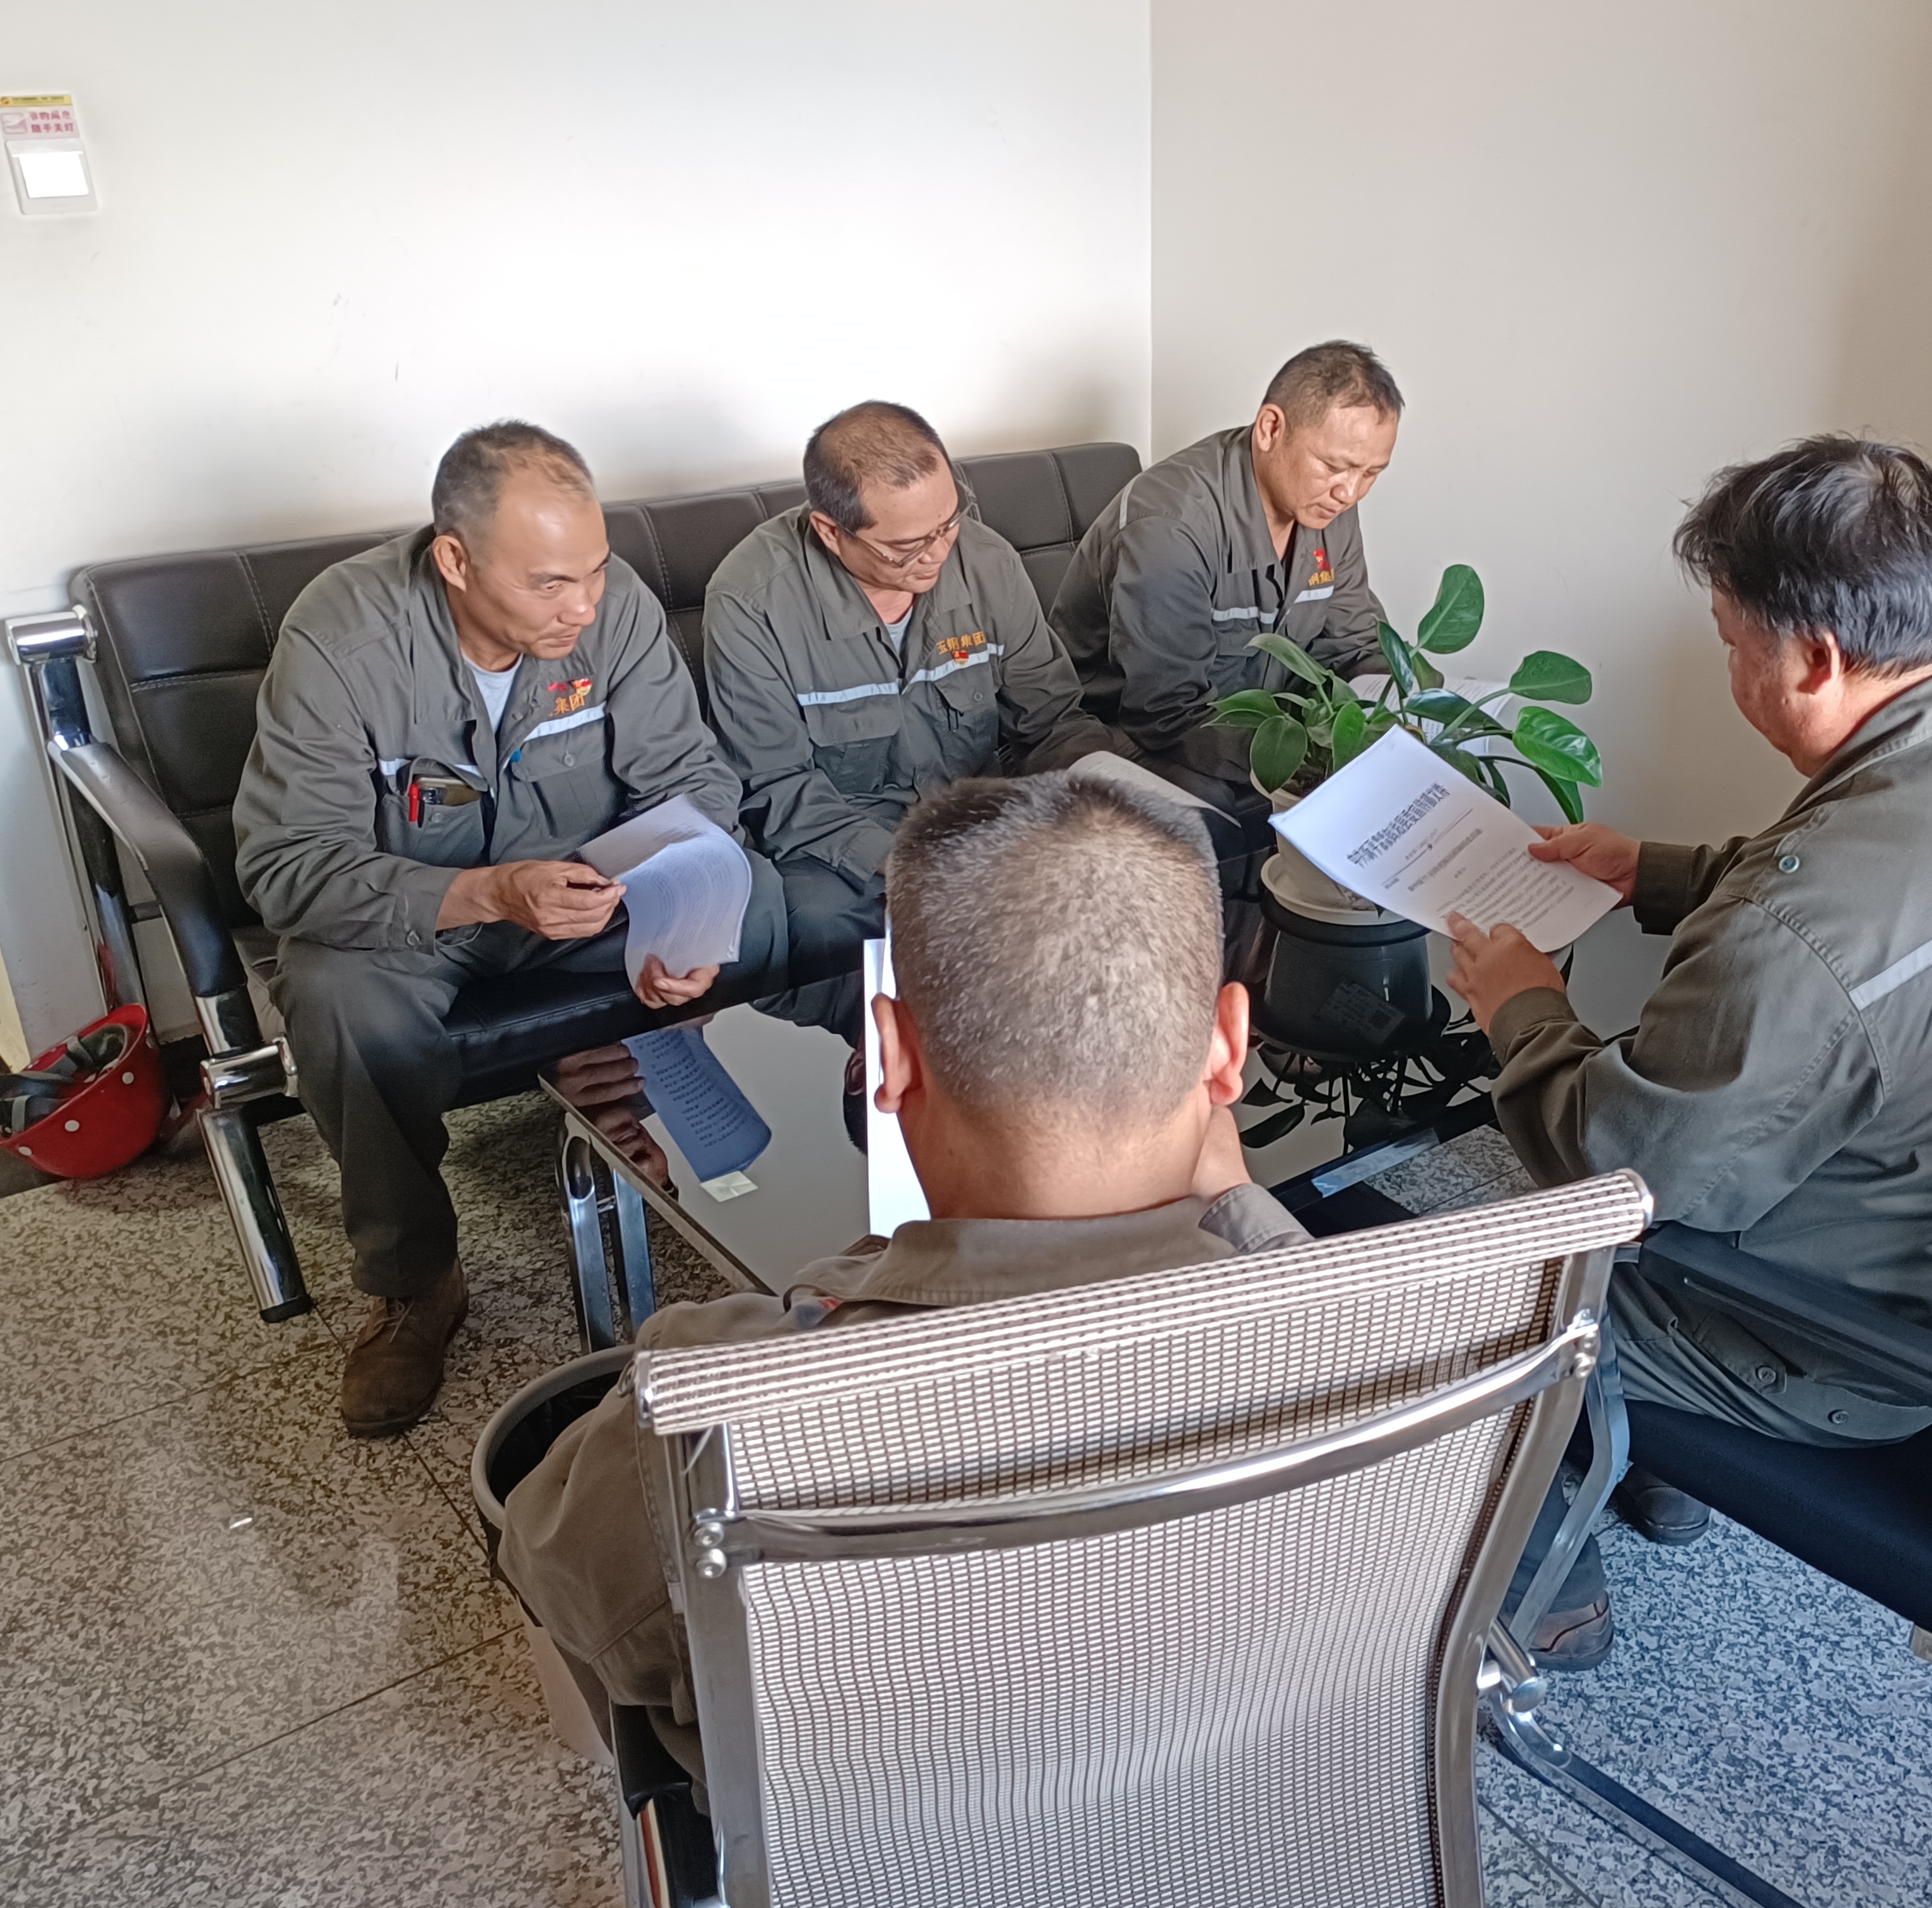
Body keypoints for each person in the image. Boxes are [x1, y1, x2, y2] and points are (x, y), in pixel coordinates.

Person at [1446, 435, 1932, 1663]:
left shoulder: (1799, 938)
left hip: (1843, 1349)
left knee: (1453, 1290)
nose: (1730, 667)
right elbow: (1893, 911)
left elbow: (1615, 1169)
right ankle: (1654, 1457)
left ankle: (1545, 1594)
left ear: (1817, 659)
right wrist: (1657, 871)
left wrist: (1521, 1005)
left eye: (1732, 642)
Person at [498, 772, 1311, 1790]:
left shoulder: (713, 1404)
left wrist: (841, 1287)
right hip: (1262, 1814)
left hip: (903, 1845)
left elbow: (561, 1576)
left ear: (886, 1056)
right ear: (1227, 1048)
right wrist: (1244, 1212)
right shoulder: (1407, 1331)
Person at [234, 421, 786, 1438]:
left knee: (773, 902)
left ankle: (677, 1123)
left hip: (588, 895)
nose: (585, 606)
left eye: (596, 570)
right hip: (419, 916)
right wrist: (491, 893)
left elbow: (693, 782)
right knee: (337, 998)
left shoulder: (612, 610)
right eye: (549, 584)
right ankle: (415, 1281)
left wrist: (671, 913)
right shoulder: (341, 640)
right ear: (455, 560)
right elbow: (287, 866)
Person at [704, 402, 1110, 979]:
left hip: (982, 816)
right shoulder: (752, 601)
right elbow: (775, 783)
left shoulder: (987, 561)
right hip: (841, 842)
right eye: (907, 546)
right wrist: (909, 863)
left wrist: (1108, 792)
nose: (939, 553)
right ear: (831, 532)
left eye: (948, 523)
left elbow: (1052, 721)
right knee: (816, 921)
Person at [1051, 341, 1398, 809]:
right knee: (1211, 809)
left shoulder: (1326, 504)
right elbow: (1166, 713)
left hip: (1266, 729)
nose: (1351, 492)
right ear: (1271, 428)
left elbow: (1354, 647)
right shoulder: (1169, 526)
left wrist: (1395, 723)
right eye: (1336, 466)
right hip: (1125, 731)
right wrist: (1309, 762)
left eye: (1372, 472)